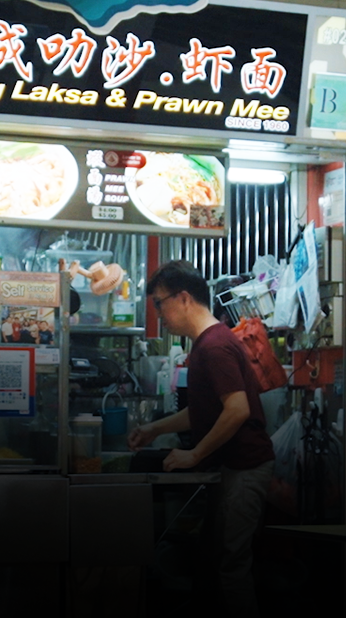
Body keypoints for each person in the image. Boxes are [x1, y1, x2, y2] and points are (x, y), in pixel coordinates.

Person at [127, 260, 275, 618]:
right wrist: (154, 429)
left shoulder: (214, 347)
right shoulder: (209, 343)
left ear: (183, 298)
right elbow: (207, 411)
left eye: (159, 304)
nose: (158, 314)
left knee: (230, 566)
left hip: (245, 468)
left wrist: (194, 454)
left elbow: (237, 410)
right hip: (234, 468)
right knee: (216, 562)